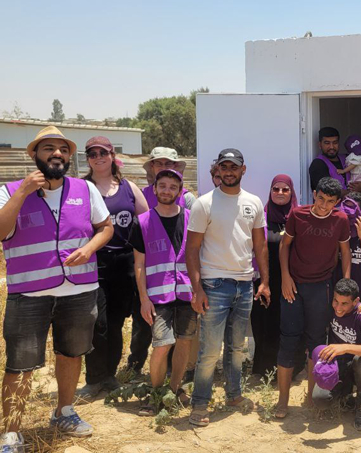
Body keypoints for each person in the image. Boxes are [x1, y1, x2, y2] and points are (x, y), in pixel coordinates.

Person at [0, 126, 113, 448]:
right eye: (49, 148)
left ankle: (64, 411)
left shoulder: (84, 189)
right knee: (20, 364)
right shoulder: (9, 190)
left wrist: (90, 248)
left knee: (71, 354)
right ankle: (11, 430)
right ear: (34, 154)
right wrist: (22, 193)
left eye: (63, 149)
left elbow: (104, 228)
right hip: (29, 294)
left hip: (79, 292)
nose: (57, 154)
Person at [186, 149, 269, 427]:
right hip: (214, 285)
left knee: (237, 348)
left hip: (245, 285)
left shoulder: (254, 203)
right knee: (209, 350)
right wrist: (197, 289)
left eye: (234, 167)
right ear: (218, 170)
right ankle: (200, 403)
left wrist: (265, 281)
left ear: (243, 170)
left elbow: (260, 246)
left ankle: (234, 395)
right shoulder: (204, 204)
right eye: (224, 167)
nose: (229, 171)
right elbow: (192, 249)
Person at [274, 177, 351, 419]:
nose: (323, 205)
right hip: (293, 288)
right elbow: (284, 246)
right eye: (320, 198)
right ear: (314, 194)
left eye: (330, 202)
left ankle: (310, 398)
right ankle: (283, 400)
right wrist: (286, 278)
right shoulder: (298, 215)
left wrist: (345, 286)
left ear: (337, 202)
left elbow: (345, 253)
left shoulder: (340, 220)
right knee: (288, 340)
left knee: (316, 343)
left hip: (322, 287)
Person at [77, 136, 148, 398]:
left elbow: (147, 222)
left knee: (116, 323)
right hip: (94, 262)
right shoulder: (80, 188)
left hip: (125, 264)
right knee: (97, 323)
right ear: (88, 158)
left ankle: (109, 376)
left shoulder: (129, 187)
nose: (98, 157)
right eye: (92, 153)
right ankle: (93, 378)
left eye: (102, 152)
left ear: (112, 155)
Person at [129, 169, 196, 415]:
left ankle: (175, 390)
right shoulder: (143, 221)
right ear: (155, 189)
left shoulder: (192, 218)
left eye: (173, 187)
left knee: (184, 342)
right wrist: (144, 299)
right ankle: (156, 393)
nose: (167, 191)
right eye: (163, 186)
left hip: (188, 294)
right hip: (158, 297)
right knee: (161, 345)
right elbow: (139, 264)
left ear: (180, 191)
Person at [250, 174, 306, 379]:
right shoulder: (261, 218)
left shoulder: (299, 218)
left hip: (292, 281)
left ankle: (292, 370)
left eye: (285, 189)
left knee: (290, 326)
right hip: (265, 281)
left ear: (292, 192)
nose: (280, 193)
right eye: (276, 189)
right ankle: (263, 369)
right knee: (264, 324)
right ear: (270, 192)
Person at [312, 278, 361, 430]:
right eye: (336, 301)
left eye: (344, 303)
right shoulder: (331, 308)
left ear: (355, 302)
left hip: (360, 366)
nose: (338, 307)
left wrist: (344, 348)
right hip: (338, 366)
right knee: (320, 399)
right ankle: (346, 395)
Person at [308, 127, 361, 193]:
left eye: (335, 142)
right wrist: (355, 192)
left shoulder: (348, 158)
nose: (331, 147)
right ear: (320, 145)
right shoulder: (318, 164)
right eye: (327, 143)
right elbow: (328, 192)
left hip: (356, 202)